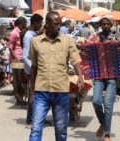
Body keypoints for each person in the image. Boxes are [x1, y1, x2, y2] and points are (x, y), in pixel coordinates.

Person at [29, 11, 84, 141]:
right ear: (47, 24)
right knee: (36, 127)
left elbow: (76, 60)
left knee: (61, 128)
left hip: (61, 91)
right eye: (56, 24)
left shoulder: (67, 41)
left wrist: (80, 76)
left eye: (60, 24)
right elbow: (34, 67)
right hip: (41, 92)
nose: (59, 27)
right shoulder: (35, 42)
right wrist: (31, 92)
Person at [85, 16, 120, 141]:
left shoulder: (118, 36)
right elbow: (85, 50)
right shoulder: (93, 37)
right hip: (98, 74)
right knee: (96, 101)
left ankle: (107, 134)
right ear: (100, 25)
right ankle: (103, 123)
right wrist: (83, 52)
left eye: (108, 24)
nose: (106, 26)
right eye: (103, 24)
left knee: (108, 104)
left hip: (113, 74)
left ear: (112, 25)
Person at [21, 14, 43, 129]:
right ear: (35, 23)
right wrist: (35, 69)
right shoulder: (29, 36)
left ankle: (36, 118)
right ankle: (29, 120)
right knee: (32, 95)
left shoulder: (34, 35)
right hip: (31, 72)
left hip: (34, 70)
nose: (41, 25)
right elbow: (25, 57)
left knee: (37, 95)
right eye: (40, 23)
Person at [8, 16, 27, 105]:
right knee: (18, 80)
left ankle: (19, 97)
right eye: (25, 23)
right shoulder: (14, 33)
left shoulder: (21, 32)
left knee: (22, 79)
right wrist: (16, 58)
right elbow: (11, 48)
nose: (26, 25)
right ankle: (19, 97)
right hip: (17, 59)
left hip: (21, 58)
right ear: (21, 23)